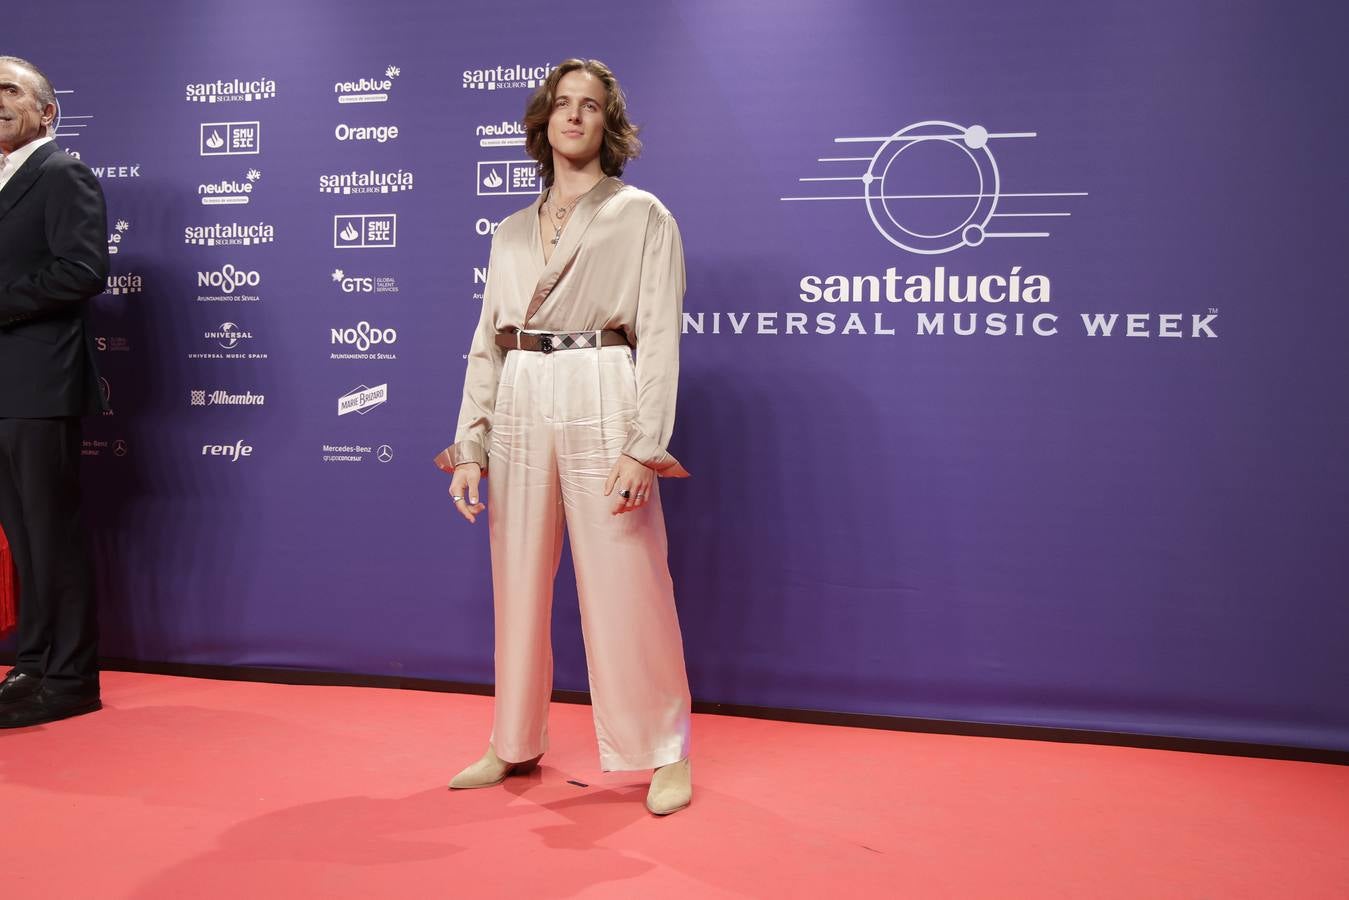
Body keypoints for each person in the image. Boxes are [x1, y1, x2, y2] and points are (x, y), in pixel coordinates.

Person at [437, 58, 693, 815]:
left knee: (628, 576)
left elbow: (658, 338)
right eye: (561, 104)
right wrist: (469, 445)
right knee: (515, 576)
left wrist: (642, 445)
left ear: (607, 124)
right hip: (519, 391)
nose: (573, 116)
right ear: (542, 120)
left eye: (589, 106)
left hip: (600, 381)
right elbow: (488, 339)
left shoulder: (643, 214)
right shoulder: (512, 229)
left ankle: (663, 749)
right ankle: (512, 741)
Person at [0, 56, 109, 728]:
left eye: (8, 90)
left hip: (41, 382)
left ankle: (70, 680)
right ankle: (34, 663)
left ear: (47, 112)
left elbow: (83, 270)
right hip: (6, 386)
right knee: (21, 534)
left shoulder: (61, 172)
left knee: (51, 533)